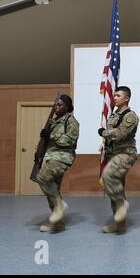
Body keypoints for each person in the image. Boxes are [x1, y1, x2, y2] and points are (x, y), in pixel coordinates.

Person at [98, 86, 139, 233]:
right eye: (114, 95)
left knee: (108, 175)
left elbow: (121, 133)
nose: (114, 98)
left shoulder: (130, 115)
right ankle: (119, 223)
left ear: (126, 98)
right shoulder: (114, 115)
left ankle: (122, 205)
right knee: (116, 188)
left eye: (118, 96)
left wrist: (104, 132)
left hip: (125, 154)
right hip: (112, 154)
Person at [37, 94, 79, 232]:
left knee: (42, 178)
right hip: (50, 157)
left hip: (62, 158)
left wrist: (51, 135)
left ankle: (59, 206)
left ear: (67, 107)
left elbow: (70, 140)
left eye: (60, 105)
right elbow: (47, 142)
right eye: (55, 104)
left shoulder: (71, 121)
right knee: (53, 191)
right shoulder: (53, 121)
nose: (56, 107)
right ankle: (58, 224)